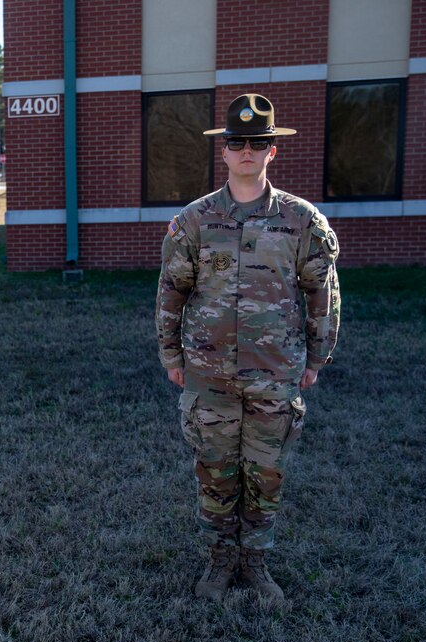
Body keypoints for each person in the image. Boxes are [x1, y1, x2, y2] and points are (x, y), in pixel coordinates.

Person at [155, 94, 341, 603]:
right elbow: (172, 292)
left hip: (275, 374)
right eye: (236, 142)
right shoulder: (194, 221)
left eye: (257, 143)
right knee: (216, 476)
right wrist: (172, 357)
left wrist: (317, 358)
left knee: (266, 476)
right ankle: (219, 564)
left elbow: (321, 294)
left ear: (271, 151)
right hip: (209, 376)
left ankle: (256, 564)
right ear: (224, 150)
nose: (246, 152)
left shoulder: (301, 222)